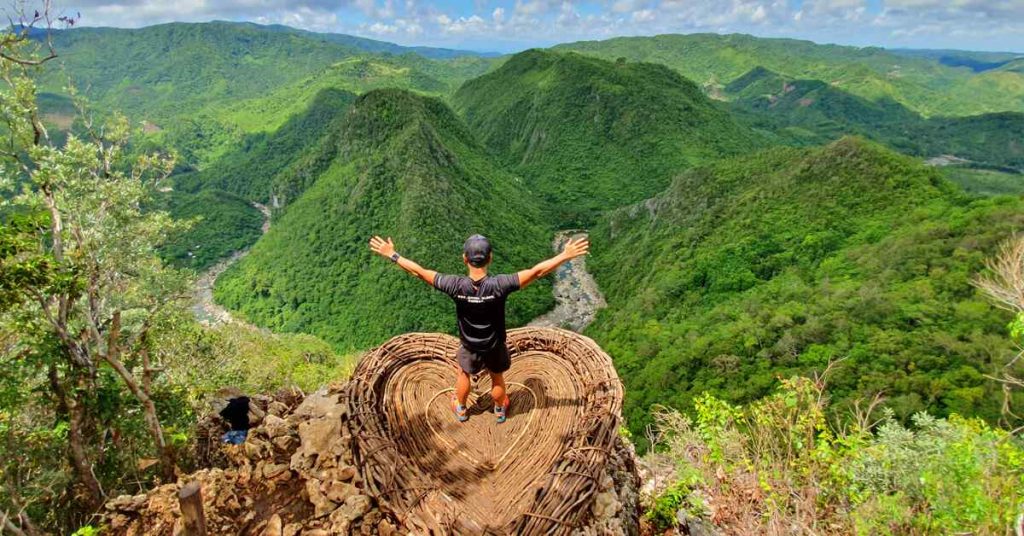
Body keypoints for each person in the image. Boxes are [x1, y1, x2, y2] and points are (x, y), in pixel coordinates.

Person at [369, 233, 589, 423]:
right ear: (490, 258)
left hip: (469, 345)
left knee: (463, 374)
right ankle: (500, 407)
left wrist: (392, 254)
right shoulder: (499, 285)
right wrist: (564, 255)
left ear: (465, 259)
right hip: (494, 344)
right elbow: (536, 272)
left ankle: (461, 408)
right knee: (497, 378)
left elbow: (419, 272)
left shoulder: (455, 285)